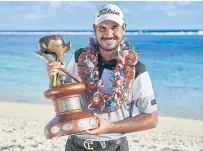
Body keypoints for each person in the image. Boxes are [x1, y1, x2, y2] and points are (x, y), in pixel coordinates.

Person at [47, 4, 158, 151]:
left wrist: (110, 127)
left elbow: (151, 118)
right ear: (95, 29)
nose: (109, 33)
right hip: (75, 145)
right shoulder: (80, 58)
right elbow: (61, 95)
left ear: (123, 28)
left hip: (114, 147)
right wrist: (53, 76)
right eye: (102, 28)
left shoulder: (136, 69)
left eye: (114, 27)